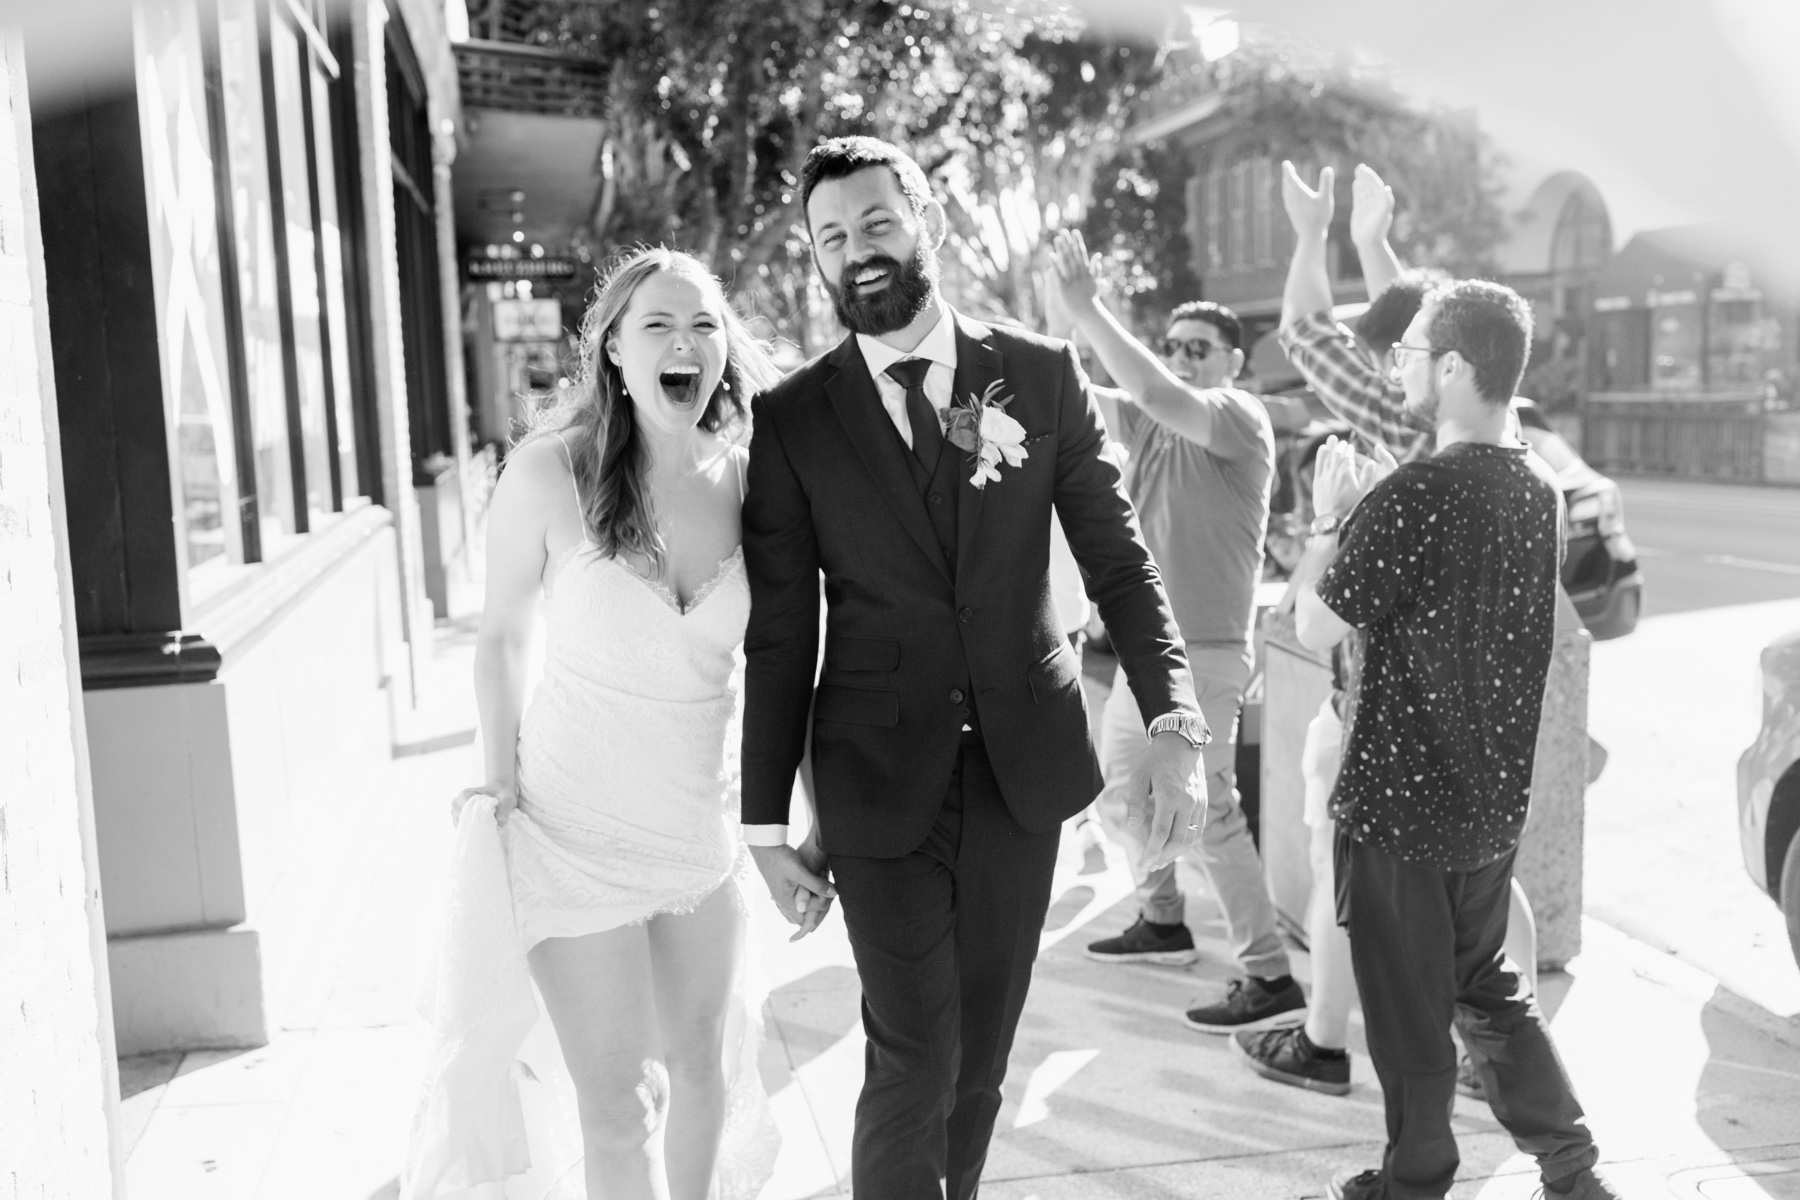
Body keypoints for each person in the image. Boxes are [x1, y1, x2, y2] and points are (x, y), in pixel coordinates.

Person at [739, 135, 1207, 1200]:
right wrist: (765, 827)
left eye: (875, 223)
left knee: (982, 1063)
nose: (854, 251)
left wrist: (1175, 722)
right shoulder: (794, 420)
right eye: (829, 237)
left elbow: (1121, 565)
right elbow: (781, 634)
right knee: (914, 1054)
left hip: (1020, 770)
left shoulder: (1037, 376)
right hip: (871, 779)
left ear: (928, 224)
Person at [405, 247, 783, 1200]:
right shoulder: (547, 474)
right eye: (656, 324)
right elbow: (498, 640)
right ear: (613, 352)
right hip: (569, 832)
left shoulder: (756, 484)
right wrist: (498, 781)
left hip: (698, 835)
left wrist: (790, 820)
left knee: (703, 1071)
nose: (684, 342)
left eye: (703, 323)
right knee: (618, 1105)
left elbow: (792, 666)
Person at [1291, 278, 1618, 1200]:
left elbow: (1315, 628)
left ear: (1453, 367)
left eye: (1408, 351)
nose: (1395, 365)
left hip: (1398, 802)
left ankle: (1416, 1177)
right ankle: (1571, 1163)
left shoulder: (1415, 494)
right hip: (1487, 806)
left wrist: (1329, 519)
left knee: (1406, 1012)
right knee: (1488, 990)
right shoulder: (1540, 487)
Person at [1234, 161, 1538, 1101]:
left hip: (1381, 709)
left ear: (1430, 365)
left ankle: (1333, 1043)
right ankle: (1500, 1055)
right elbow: (1435, 325)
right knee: (1485, 894)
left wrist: (1313, 234)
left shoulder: (1391, 426)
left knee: (1348, 876)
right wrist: (1371, 244)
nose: (1390, 362)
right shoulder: (1513, 452)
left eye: (1400, 350)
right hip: (1476, 720)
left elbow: (1302, 328)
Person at [1045, 233, 1298, 1035]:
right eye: (1175, 347)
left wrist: (1088, 307)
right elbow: (1069, 387)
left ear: (1231, 363)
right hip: (1144, 653)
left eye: (1201, 348)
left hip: (1212, 651)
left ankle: (1269, 975)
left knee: (1212, 808)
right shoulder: (1149, 423)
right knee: (1117, 787)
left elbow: (1153, 394)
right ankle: (1161, 919)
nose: (1184, 358)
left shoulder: (1238, 418)